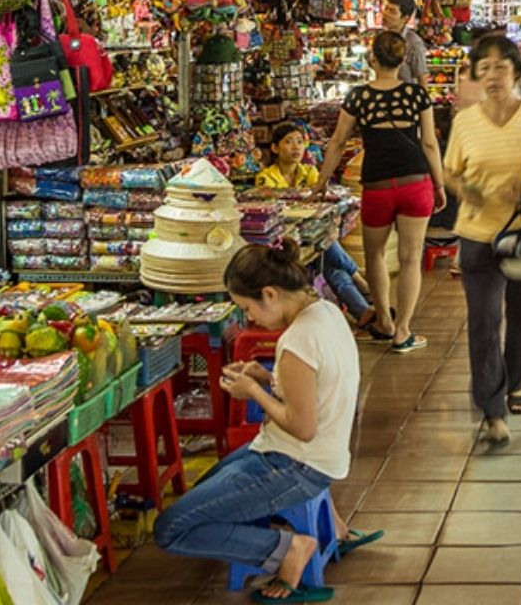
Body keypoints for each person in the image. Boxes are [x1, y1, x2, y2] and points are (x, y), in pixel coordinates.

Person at [154, 239, 381, 603]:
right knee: (203, 493)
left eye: (247, 308)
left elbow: (302, 427)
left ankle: (287, 549)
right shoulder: (326, 311)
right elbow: (317, 390)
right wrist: (265, 378)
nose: (249, 318)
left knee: (170, 528)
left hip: (295, 465)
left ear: (270, 294)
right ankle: (320, 531)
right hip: (310, 454)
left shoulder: (296, 342)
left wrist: (253, 392)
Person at [441, 34, 521, 448]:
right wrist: (465, 190)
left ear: (517, 73)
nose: (492, 75)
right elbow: (449, 172)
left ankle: (514, 382)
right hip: (477, 234)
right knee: (483, 320)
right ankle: (492, 411)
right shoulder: (465, 122)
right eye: (484, 68)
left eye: (501, 66)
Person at [317, 31, 446, 354]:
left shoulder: (358, 97)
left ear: (372, 58)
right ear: (402, 60)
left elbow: (337, 142)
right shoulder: (417, 95)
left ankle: (385, 323)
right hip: (415, 183)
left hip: (377, 187)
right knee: (410, 258)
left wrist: (320, 183)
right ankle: (403, 332)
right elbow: (429, 143)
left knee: (374, 255)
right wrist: (440, 183)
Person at [258, 123, 390, 343]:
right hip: (286, 242)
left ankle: (363, 313)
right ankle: (360, 283)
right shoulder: (266, 177)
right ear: (274, 148)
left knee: (330, 261)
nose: (296, 147)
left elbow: (319, 204)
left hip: (310, 237)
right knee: (327, 245)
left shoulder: (309, 172)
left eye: (299, 142)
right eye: (288, 142)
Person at [380, 0, 428, 85]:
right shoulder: (381, 37)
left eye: (392, 11)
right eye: (386, 8)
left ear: (405, 18)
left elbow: (421, 77)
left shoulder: (413, 42)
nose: (385, 13)